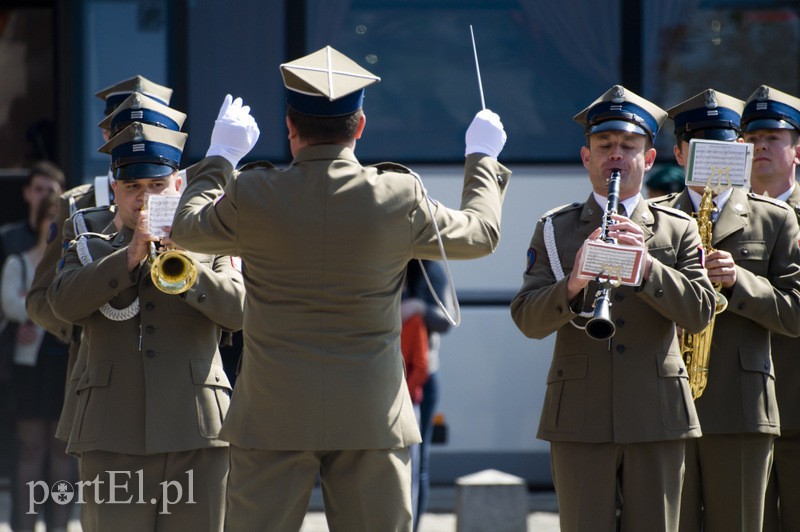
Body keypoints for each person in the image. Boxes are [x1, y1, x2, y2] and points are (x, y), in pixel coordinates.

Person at [170, 45, 511, 531]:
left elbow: (185, 227)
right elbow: (482, 234)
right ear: (360, 126)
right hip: (371, 416)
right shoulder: (398, 195)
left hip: (273, 413)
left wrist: (222, 154)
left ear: (290, 128)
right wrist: (482, 156)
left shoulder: (254, 192)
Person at [510, 85, 715, 532]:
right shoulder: (554, 228)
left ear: (649, 158)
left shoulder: (677, 229)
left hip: (656, 415)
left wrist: (646, 270)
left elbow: (701, 313)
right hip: (579, 417)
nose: (616, 156)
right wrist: (575, 281)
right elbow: (527, 318)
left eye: (628, 146)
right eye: (604, 146)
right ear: (587, 158)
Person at [46, 121, 244, 531]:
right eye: (133, 186)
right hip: (111, 434)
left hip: (196, 430)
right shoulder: (87, 241)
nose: (144, 198)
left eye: (156, 185)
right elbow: (61, 303)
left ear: (177, 184)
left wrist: (187, 263)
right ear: (114, 188)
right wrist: (128, 257)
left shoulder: (210, 241)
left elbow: (240, 313)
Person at [650, 88, 800, 532]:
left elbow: (794, 312)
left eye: (722, 148)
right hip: (665, 405)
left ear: (738, 151)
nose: (711, 159)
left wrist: (739, 282)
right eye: (698, 148)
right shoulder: (654, 219)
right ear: (678, 152)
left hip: (740, 407)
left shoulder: (773, 219)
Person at [739, 85, 800, 532]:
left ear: (796, 150)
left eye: (773, 137)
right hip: (739, 412)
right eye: (752, 137)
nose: (760, 145)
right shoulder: (717, 215)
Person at [1, 189, 74, 531]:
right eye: (50, 221)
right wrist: (40, 312)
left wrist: (33, 311)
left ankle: (59, 526)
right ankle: (26, 526)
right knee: (31, 450)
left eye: (61, 223)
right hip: (29, 369)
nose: (55, 229)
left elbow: (77, 307)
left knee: (62, 453)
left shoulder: (76, 262)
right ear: (39, 221)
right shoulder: (18, 260)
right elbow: (12, 305)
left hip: (65, 366)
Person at [403, 259, 453, 532]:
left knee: (418, 459)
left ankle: (414, 526)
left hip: (421, 376)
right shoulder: (383, 262)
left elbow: (447, 321)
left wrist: (419, 308)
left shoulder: (430, 269)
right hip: (382, 374)